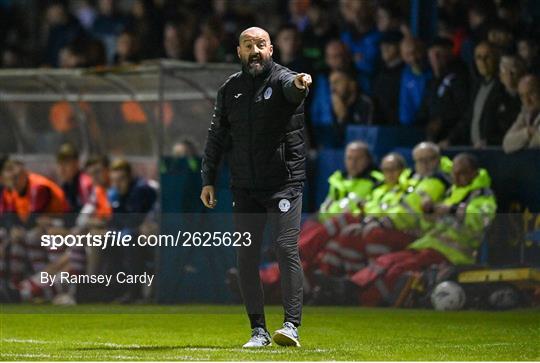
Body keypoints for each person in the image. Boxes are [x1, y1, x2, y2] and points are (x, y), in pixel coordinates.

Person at [200, 27, 311, 348]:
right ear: (239, 52)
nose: (255, 50)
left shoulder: (283, 80)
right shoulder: (230, 89)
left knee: (285, 248)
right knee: (246, 257)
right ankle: (258, 331)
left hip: (283, 184)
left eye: (261, 45)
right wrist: (208, 179)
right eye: (248, 45)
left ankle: (291, 326)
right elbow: (216, 136)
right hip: (245, 187)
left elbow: (294, 89)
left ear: (271, 49)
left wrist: (301, 84)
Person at [346, 153, 496, 307]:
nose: (457, 178)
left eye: (462, 173)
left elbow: (480, 220)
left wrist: (451, 209)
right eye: (454, 173)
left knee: (399, 269)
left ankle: (363, 300)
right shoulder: (451, 193)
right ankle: (352, 286)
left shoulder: (482, 196)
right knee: (386, 260)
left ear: (474, 173)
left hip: (453, 254)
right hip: (428, 245)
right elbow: (429, 226)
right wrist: (428, 215)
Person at [445, 41, 504, 147]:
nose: (483, 62)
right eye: (479, 57)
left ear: (497, 58)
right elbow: (469, 117)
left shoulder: (503, 88)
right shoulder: (477, 86)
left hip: (496, 151)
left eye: (487, 57)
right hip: (476, 150)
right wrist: (449, 140)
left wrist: (490, 141)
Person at [422, 37, 470, 142]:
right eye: (432, 54)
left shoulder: (459, 77)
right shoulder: (432, 82)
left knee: (447, 159)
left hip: (454, 142)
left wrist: (451, 138)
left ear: (449, 53)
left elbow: (465, 112)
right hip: (436, 141)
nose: (435, 58)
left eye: (439, 54)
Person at [372, 31, 404, 125]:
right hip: (382, 125)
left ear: (400, 47)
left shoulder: (405, 73)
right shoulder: (379, 72)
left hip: (401, 127)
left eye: (389, 45)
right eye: (382, 46)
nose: (384, 49)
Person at [398, 37, 432, 126]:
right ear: (402, 56)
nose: (413, 58)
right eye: (407, 54)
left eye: (416, 52)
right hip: (414, 126)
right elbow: (405, 104)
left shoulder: (435, 72)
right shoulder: (406, 75)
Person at [503, 74, 540, 153]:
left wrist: (521, 141)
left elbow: (536, 143)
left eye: (531, 93)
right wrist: (528, 132)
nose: (527, 100)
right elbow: (507, 144)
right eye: (522, 96)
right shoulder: (524, 114)